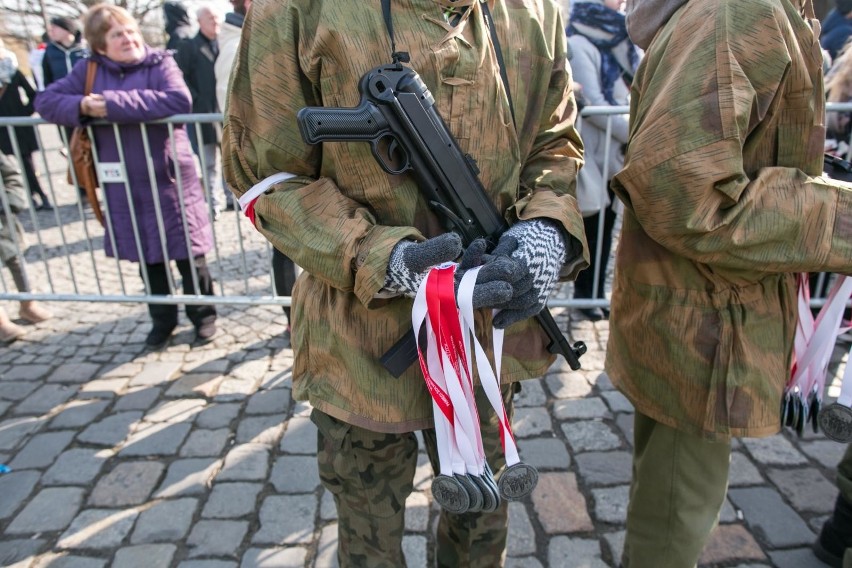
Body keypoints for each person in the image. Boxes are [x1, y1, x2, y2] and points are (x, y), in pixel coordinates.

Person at [223, 0, 588, 565]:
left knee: (482, 525)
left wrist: (546, 227)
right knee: (370, 538)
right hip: (357, 352)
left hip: (484, 345)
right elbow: (266, 178)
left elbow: (555, 141)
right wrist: (381, 257)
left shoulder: (534, 10)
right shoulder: (296, 10)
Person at [605, 0, 852, 566]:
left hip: (703, 312)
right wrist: (837, 218)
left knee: (675, 505)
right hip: (704, 324)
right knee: (673, 521)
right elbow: (680, 194)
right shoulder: (741, 11)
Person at [36, 3, 218, 347]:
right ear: (100, 43)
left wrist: (112, 103)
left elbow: (179, 100)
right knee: (147, 257)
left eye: (131, 31)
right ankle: (162, 321)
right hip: (124, 186)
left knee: (188, 255)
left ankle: (203, 316)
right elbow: (46, 100)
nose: (128, 38)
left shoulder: (161, 62)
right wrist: (82, 106)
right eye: (117, 34)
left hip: (169, 180)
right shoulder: (88, 69)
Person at [566, 0, 638, 321]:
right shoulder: (579, 42)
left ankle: (595, 294)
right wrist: (634, 129)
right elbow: (593, 102)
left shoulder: (619, 39)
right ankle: (584, 296)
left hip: (613, 154)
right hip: (594, 153)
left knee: (607, 227)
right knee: (591, 228)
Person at [175, 4, 231, 218]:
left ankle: (230, 198)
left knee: (228, 161)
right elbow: (182, 78)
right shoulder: (188, 46)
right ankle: (213, 203)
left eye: (217, 19)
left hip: (223, 112)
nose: (215, 23)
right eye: (210, 19)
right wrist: (195, 102)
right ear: (199, 22)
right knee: (208, 163)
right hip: (203, 114)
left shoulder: (223, 43)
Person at [0, 153, 53, 343]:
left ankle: (28, 304)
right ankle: (1, 321)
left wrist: (10, 201)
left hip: (2, 217)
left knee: (15, 259)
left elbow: (11, 174)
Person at [0, 39, 53, 211]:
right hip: (2, 128)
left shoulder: (13, 72)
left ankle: (38, 195)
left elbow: (33, 94)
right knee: (6, 167)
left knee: (27, 164)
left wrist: (24, 113)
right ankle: (11, 201)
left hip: (18, 125)